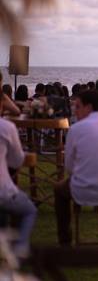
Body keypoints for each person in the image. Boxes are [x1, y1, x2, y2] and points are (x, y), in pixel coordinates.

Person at [54, 90, 98, 244]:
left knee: (59, 190)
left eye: (78, 106)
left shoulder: (76, 129)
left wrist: (83, 173)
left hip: (82, 188)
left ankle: (65, 239)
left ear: (89, 107)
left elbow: (69, 166)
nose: (75, 111)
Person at [0, 100, 37, 258]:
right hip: (3, 193)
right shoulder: (6, 127)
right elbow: (16, 161)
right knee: (29, 210)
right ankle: (20, 248)